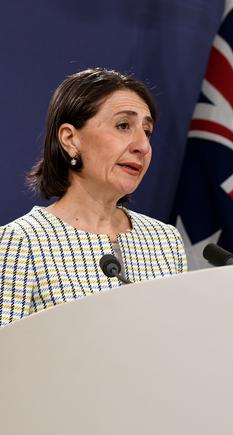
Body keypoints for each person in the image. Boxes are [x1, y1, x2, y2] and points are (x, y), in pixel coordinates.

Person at [0, 68, 187, 326]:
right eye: (123, 126)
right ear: (70, 139)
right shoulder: (23, 242)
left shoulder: (165, 241)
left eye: (147, 131)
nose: (142, 146)